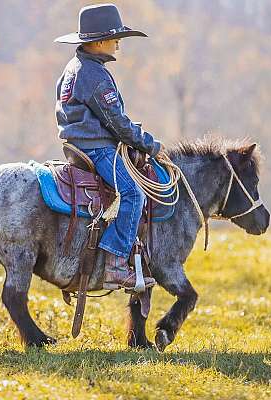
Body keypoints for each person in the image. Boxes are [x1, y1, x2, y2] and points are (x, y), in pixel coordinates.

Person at [54, 3, 164, 291]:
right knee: (134, 194)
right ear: (99, 41)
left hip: (79, 144)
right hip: (97, 149)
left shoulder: (74, 68)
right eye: (115, 38)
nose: (118, 43)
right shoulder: (94, 75)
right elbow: (116, 122)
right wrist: (150, 145)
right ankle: (115, 264)